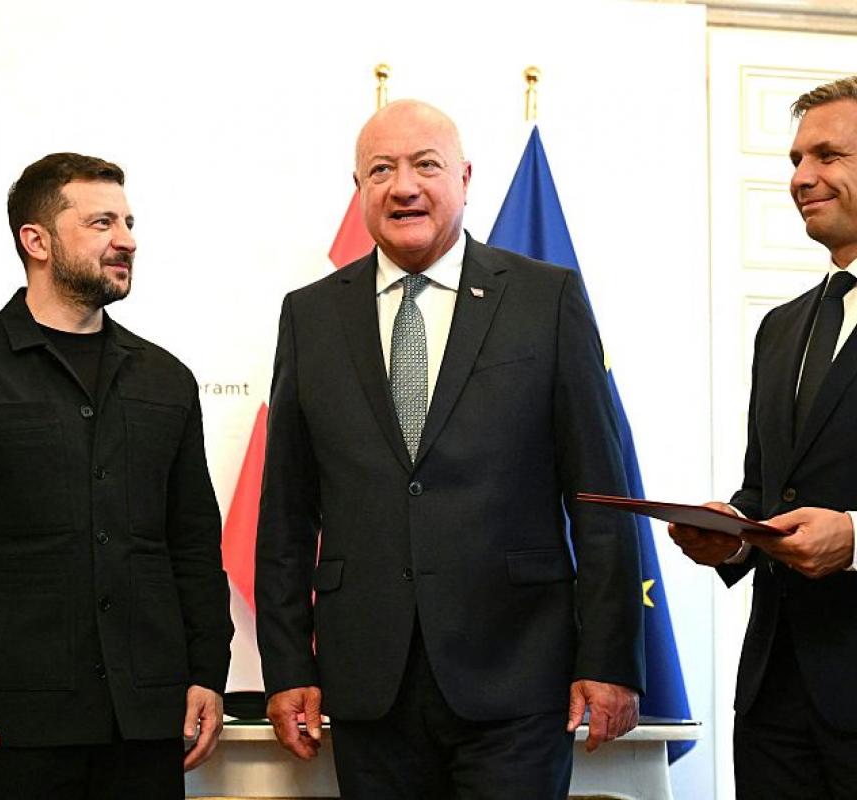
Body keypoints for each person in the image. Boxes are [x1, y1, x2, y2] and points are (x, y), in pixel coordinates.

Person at [255, 99, 644, 799]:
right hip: (369, 682)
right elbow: (285, 513)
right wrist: (286, 667)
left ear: (465, 178)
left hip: (518, 672)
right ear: (358, 188)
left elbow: (600, 496)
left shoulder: (546, 299)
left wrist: (610, 658)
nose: (403, 186)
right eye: (381, 170)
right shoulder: (309, 315)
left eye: (425, 165)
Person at [0, 152, 233, 799]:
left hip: (146, 725)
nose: (127, 240)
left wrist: (209, 670)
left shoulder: (167, 381)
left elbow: (192, 544)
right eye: (101, 223)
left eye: (127, 222)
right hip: (7, 727)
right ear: (36, 241)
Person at [668, 76, 857, 799]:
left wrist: (855, 538)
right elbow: (767, 490)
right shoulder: (781, 329)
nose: (801, 178)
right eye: (796, 159)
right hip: (775, 701)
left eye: (827, 156)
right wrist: (734, 537)